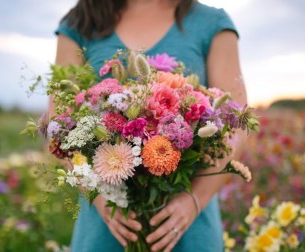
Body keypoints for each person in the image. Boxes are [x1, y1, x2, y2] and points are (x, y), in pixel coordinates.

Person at [52, 0, 247, 251]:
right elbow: (59, 129)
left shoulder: (211, 23)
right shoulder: (80, 22)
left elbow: (237, 123)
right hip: (105, 227)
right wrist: (101, 198)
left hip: (186, 225)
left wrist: (194, 199)